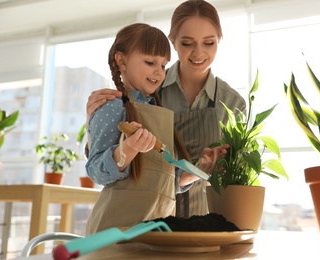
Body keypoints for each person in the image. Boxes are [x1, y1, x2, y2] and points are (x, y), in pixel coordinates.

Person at [85, 0, 246, 218]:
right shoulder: (146, 88)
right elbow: (99, 160)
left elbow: (238, 177)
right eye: (187, 43)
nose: (198, 53)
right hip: (146, 220)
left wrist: (204, 169)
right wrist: (90, 122)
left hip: (206, 219)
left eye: (209, 42)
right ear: (173, 41)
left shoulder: (233, 104)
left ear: (219, 41)